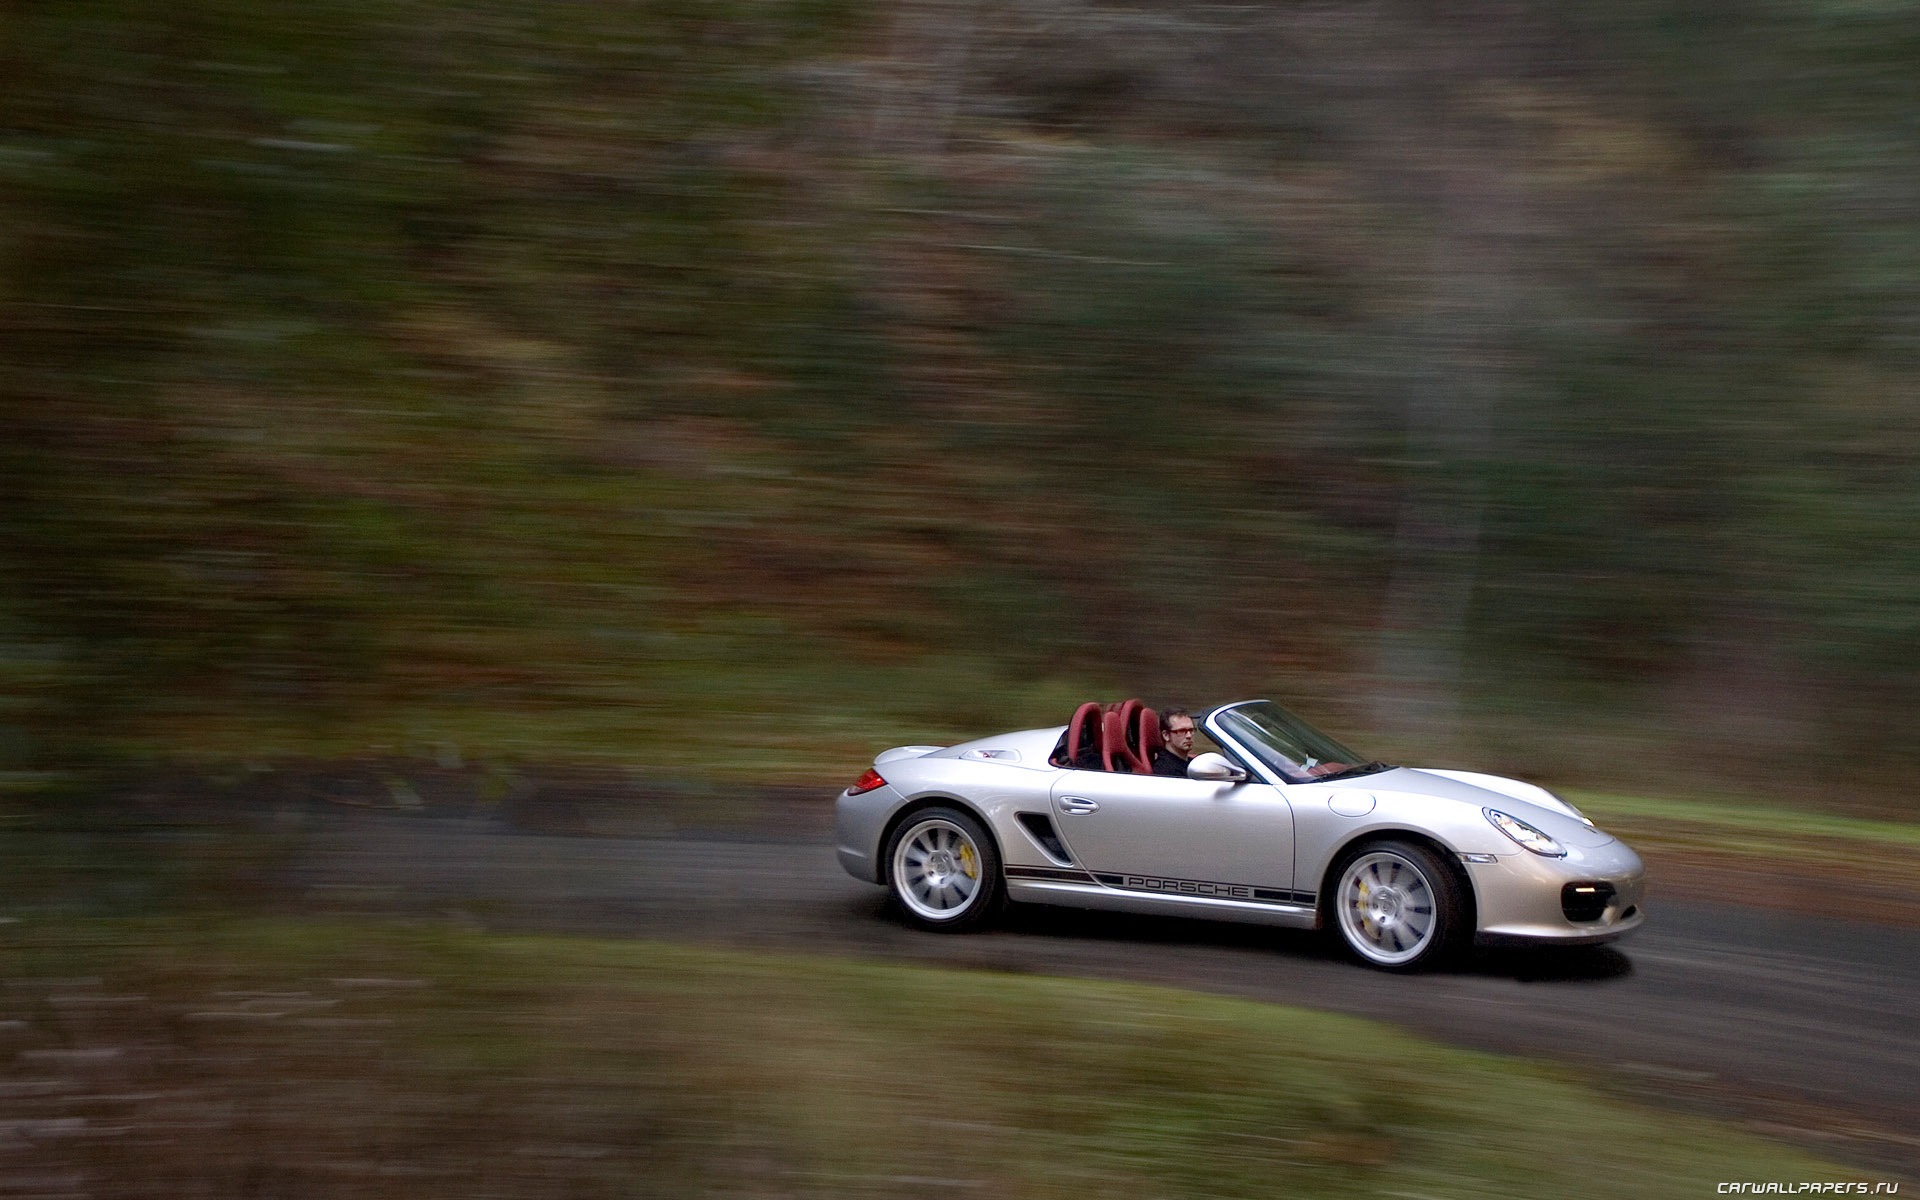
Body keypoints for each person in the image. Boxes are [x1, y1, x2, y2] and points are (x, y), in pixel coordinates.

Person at [1152, 708, 1196, 777]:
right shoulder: (1166, 770)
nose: (1189, 735)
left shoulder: (1190, 762)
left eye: (1191, 730)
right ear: (1166, 735)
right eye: (1181, 731)